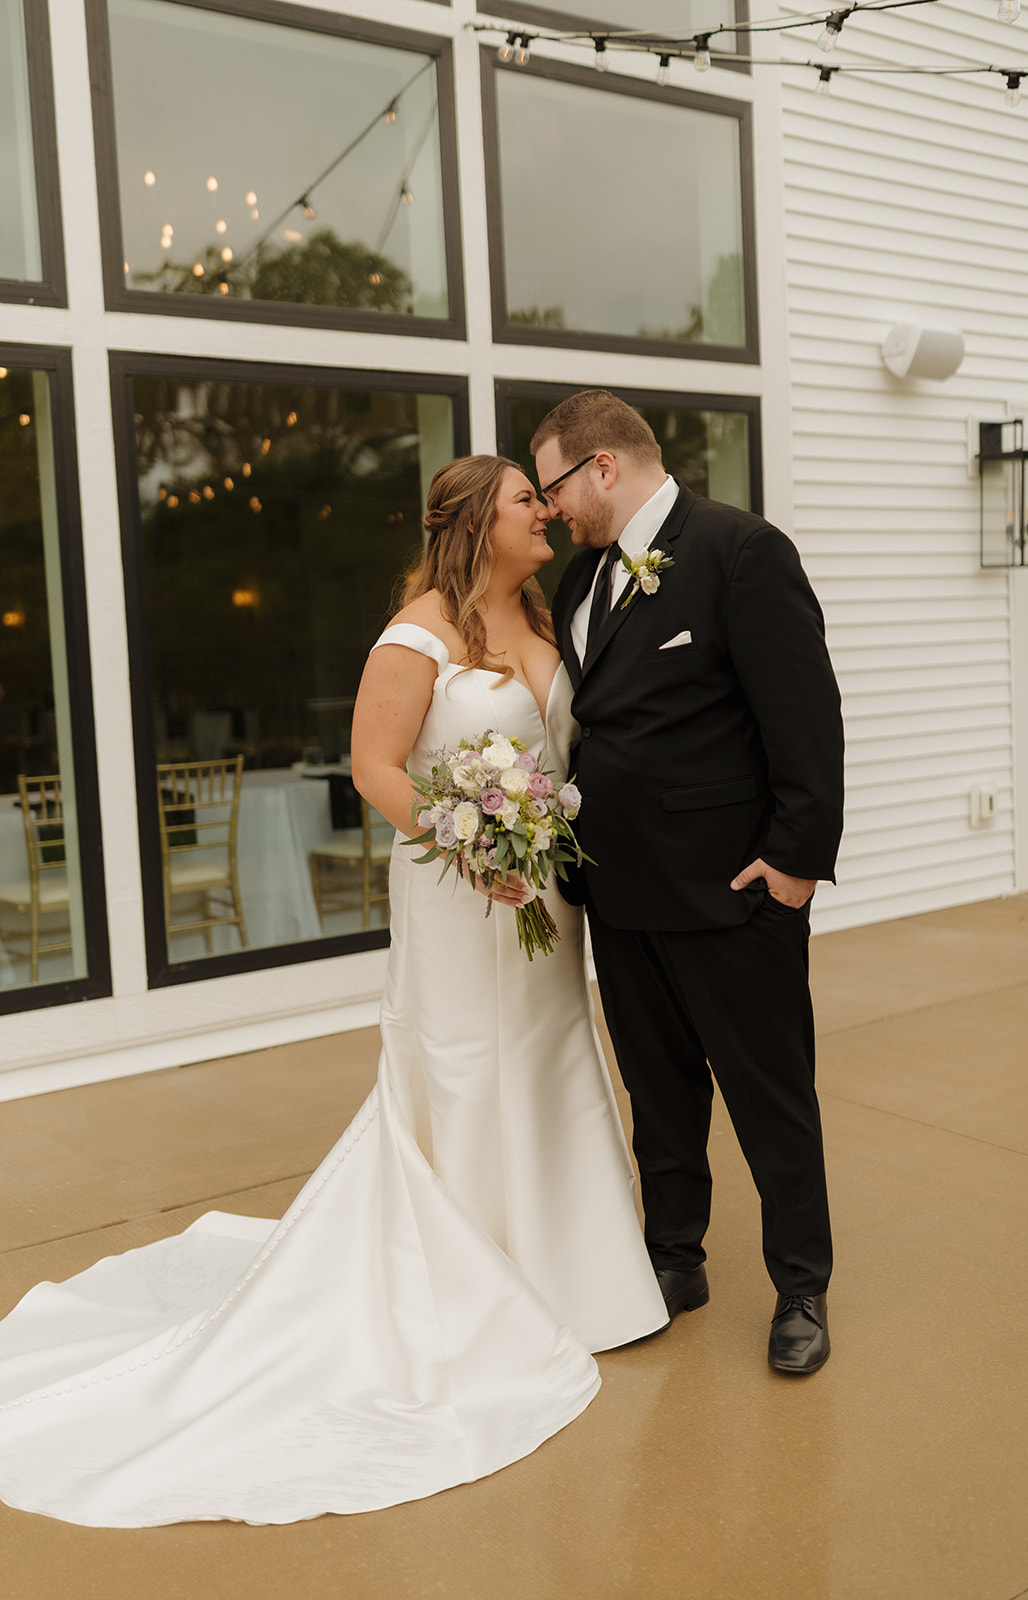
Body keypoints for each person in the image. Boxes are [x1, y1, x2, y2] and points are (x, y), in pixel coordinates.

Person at [0, 456, 667, 1528]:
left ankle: (571, 1276)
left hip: (541, 895)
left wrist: (529, 838)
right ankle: (466, 1288)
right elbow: (375, 767)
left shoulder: (552, 621)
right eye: (520, 502)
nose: (542, 512)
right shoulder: (414, 635)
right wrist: (466, 835)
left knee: (550, 1061)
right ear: (469, 523)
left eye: (540, 499)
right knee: (460, 1067)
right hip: (457, 895)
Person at [532, 391, 845, 1377]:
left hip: (732, 893)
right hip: (618, 898)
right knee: (657, 1095)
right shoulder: (580, 581)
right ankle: (673, 1259)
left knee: (767, 1096)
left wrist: (793, 862)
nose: (548, 512)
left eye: (552, 488)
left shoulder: (740, 552)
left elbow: (803, 718)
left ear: (602, 469)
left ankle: (799, 1285)